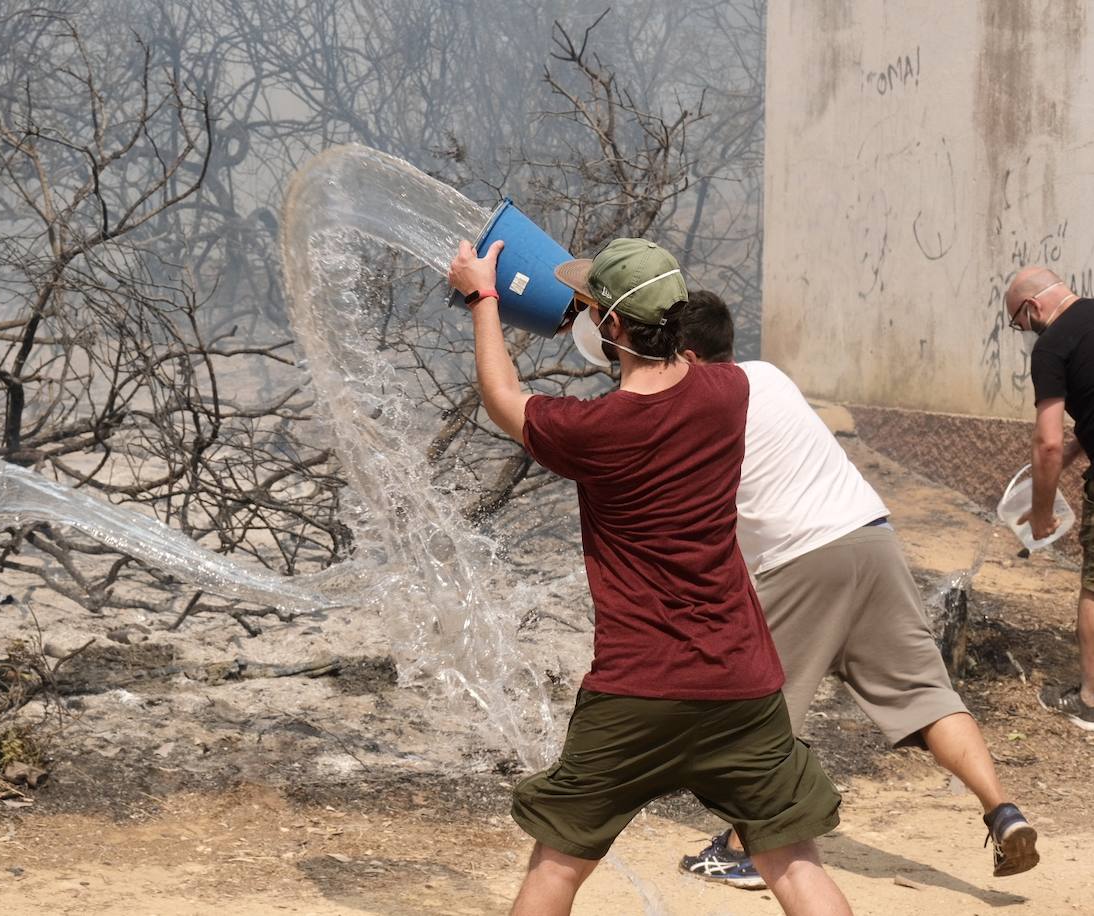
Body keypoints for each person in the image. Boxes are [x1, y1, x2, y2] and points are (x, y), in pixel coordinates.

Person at [447, 237, 852, 916]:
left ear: (608, 326)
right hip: (740, 682)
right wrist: (613, 312)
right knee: (791, 864)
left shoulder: (593, 429)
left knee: (556, 867)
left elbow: (502, 396)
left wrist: (486, 297)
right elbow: (668, 364)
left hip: (638, 688)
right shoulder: (732, 391)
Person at [672, 290, 1039, 889]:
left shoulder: (700, 407)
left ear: (687, 355)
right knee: (926, 694)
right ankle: (1004, 810)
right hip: (872, 538)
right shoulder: (768, 375)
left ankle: (744, 849)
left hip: (803, 559)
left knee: (759, 712)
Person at [1004, 266, 1094, 730]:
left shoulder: (1053, 344)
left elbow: (1048, 443)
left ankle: (1090, 701)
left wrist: (1040, 513)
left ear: (1033, 307)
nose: (1025, 331)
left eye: (1020, 323)